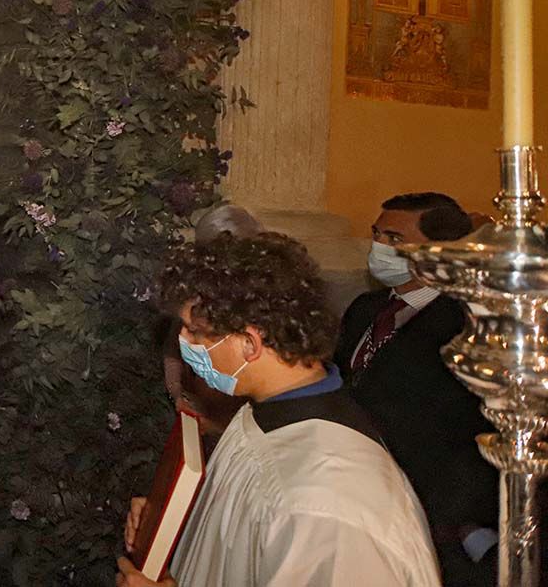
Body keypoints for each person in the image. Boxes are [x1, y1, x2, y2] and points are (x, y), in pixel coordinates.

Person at [118, 233, 440, 587]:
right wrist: (167, 525)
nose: (184, 344)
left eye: (195, 333)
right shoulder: (261, 412)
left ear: (249, 344)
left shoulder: (328, 506)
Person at [335, 192, 498, 586]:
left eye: (395, 239)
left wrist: (450, 514)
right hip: (355, 485)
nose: (380, 248)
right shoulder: (366, 308)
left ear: (439, 250)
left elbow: (470, 425)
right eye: (377, 235)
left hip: (435, 508)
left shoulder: (468, 325)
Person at [158, 205, 260, 442]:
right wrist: (178, 394)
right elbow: (173, 347)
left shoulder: (261, 309)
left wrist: (221, 429)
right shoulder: (196, 296)